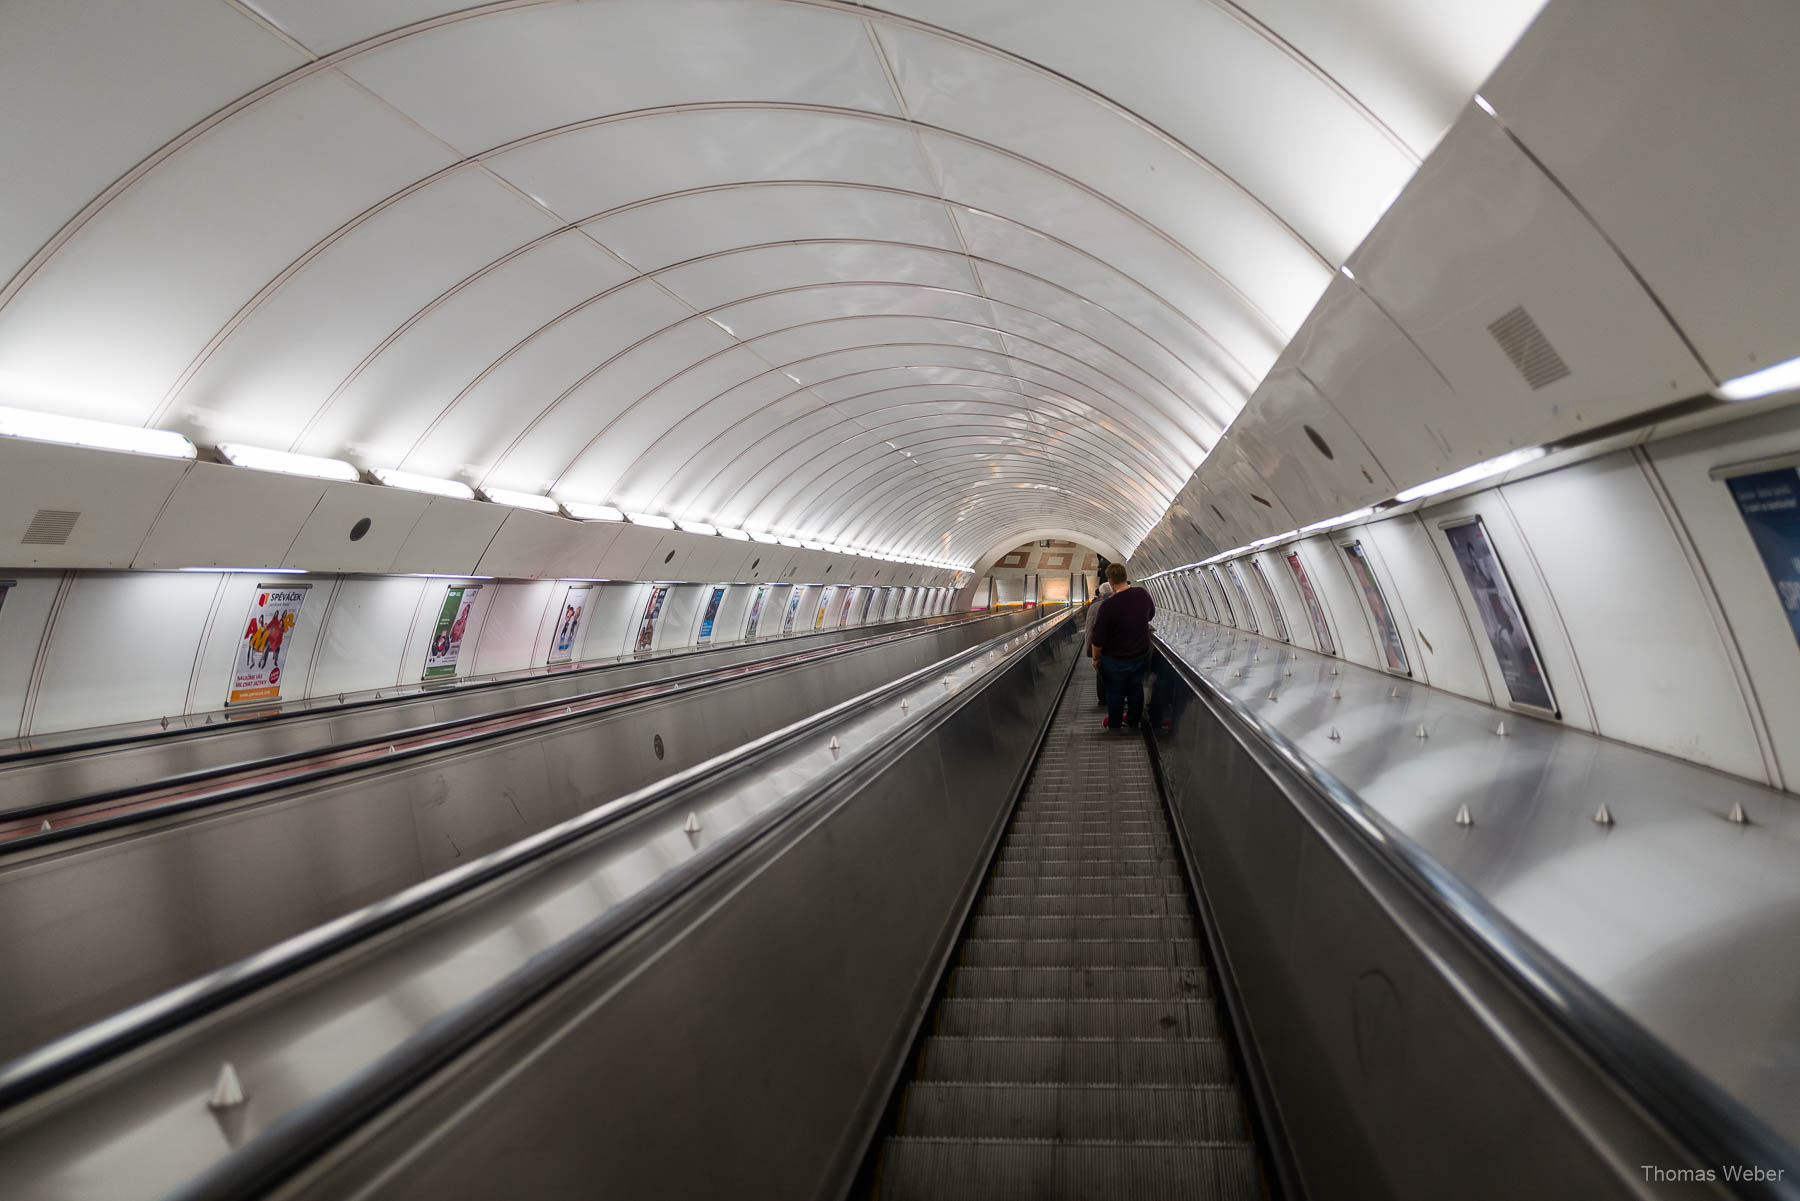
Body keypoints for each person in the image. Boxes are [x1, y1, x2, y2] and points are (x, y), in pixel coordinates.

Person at [1089, 562, 1155, 733]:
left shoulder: (1108, 606)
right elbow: (1151, 614)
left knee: (1115, 692)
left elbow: (1098, 638)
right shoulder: (1141, 594)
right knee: (1136, 689)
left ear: (1110, 582)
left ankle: (1115, 724)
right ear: (1125, 576)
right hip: (1139, 654)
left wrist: (1096, 659)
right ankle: (1133, 721)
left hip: (1114, 658)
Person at [1083, 578, 1115, 706]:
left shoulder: (1094, 607)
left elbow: (1090, 630)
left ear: (1100, 594)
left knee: (1101, 672)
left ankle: (1103, 698)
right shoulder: (1118, 604)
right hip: (1116, 647)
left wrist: (1090, 650)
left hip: (1100, 647)